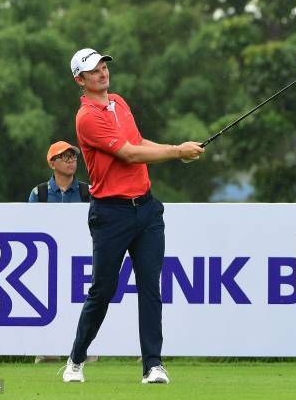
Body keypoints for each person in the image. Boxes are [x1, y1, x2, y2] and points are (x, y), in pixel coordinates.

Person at [62, 48, 204, 384]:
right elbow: (127, 154)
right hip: (111, 214)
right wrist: (176, 152)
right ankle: (76, 359)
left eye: (103, 66)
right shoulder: (87, 117)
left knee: (150, 288)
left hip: (147, 210)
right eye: (93, 70)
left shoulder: (119, 103)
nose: (102, 72)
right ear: (79, 80)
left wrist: (176, 150)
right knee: (103, 289)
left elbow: (137, 141)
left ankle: (153, 365)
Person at [30, 141, 95, 364]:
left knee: (85, 305)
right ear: (52, 163)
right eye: (64, 157)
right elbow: (30, 229)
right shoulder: (39, 193)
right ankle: (48, 352)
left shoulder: (88, 191)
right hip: (48, 264)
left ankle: (85, 353)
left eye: (73, 157)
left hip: (81, 262)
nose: (70, 161)